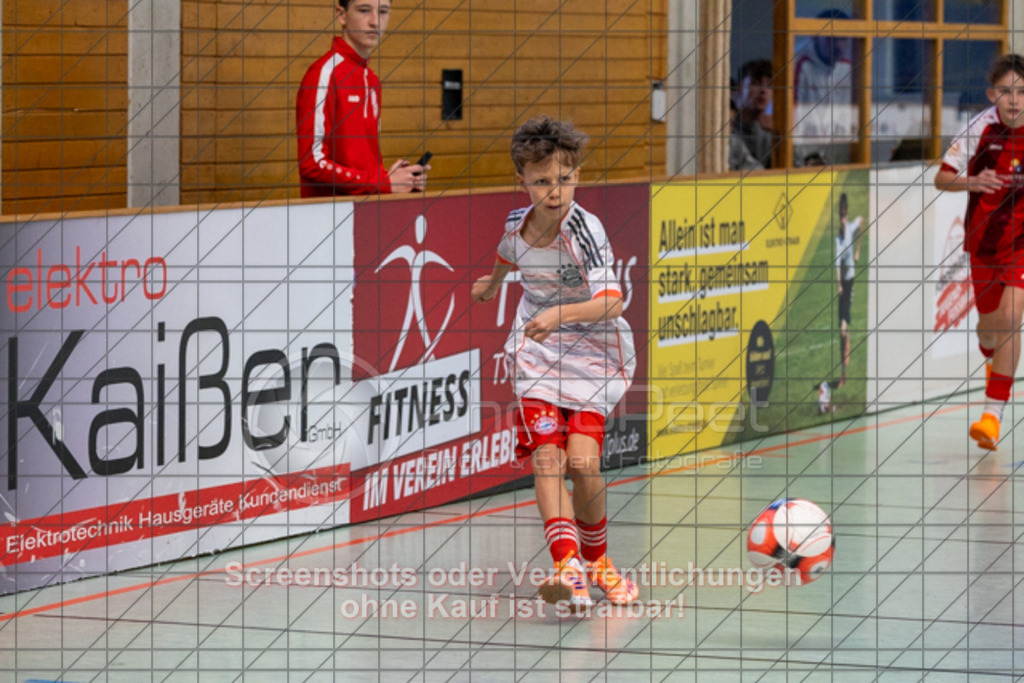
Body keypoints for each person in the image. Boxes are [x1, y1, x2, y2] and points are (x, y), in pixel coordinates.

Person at [471, 115, 639, 613]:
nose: (554, 190)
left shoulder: (584, 230)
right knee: (549, 457)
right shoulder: (516, 225)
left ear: (578, 177)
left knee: (584, 463)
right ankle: (568, 570)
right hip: (538, 353)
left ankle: (599, 562)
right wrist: (492, 284)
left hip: (592, 353)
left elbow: (613, 301)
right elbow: (508, 254)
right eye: (542, 181)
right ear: (521, 182)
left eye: (564, 179)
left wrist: (560, 313)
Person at [935, 54, 1024, 451]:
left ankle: (992, 416)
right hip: (984, 244)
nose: (1014, 100)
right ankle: (992, 357)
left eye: (1021, 91)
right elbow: (941, 178)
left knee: (1010, 318)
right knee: (989, 329)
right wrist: (974, 181)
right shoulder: (978, 130)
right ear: (992, 95)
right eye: (1006, 91)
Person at [296, 0, 428, 197]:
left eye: (383, 11)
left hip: (367, 215)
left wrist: (399, 179)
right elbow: (312, 163)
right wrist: (382, 183)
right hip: (328, 219)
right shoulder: (324, 74)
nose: (375, 22)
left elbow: (363, 166)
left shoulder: (372, 81)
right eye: (364, 10)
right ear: (342, 15)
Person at [793, 9, 855, 164]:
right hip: (805, 157)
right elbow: (792, 118)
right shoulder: (800, 66)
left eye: (844, 39)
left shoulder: (849, 69)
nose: (839, 46)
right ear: (815, 37)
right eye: (832, 39)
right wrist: (807, 156)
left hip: (840, 155)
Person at [834, 192, 865, 389]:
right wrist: (838, 285)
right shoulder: (838, 240)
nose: (844, 220)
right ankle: (846, 344)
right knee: (842, 327)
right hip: (842, 286)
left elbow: (861, 223)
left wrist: (858, 250)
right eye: (842, 217)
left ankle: (843, 374)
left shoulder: (851, 227)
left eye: (845, 216)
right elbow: (836, 266)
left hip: (849, 281)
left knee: (842, 328)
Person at [733, 59, 774, 169]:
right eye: (756, 83)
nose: (764, 90)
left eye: (770, 85)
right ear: (738, 88)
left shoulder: (769, 135)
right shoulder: (729, 130)